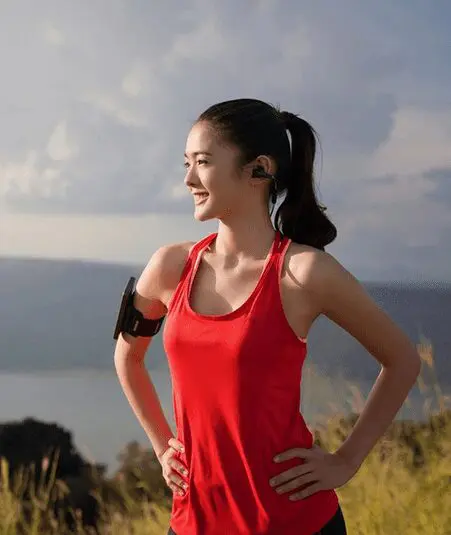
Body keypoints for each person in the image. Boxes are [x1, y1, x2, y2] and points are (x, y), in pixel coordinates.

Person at [114, 98, 421, 535]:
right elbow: (128, 357)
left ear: (259, 168)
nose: (187, 179)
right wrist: (163, 448)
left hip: (293, 521)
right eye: (186, 162)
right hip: (193, 522)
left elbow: (402, 360)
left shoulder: (304, 273)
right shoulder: (169, 267)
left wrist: (346, 461)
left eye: (202, 162)